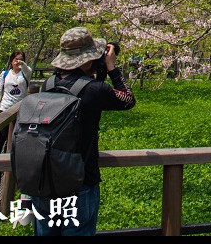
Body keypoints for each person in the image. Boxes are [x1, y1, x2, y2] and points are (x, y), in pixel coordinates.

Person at [28, 27, 135, 236]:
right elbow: (128, 100)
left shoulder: (48, 84)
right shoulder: (94, 90)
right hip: (81, 183)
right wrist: (112, 68)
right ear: (87, 60)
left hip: (44, 182)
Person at [0, 50, 33, 152]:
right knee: (2, 136)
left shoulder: (26, 73)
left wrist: (23, 64)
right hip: (5, 108)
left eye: (21, 60)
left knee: (15, 136)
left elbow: (28, 70)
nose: (18, 62)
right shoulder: (5, 74)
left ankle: (9, 157)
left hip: (20, 109)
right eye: (16, 59)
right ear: (11, 61)